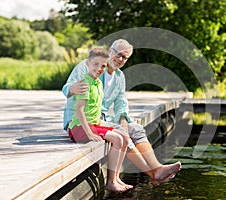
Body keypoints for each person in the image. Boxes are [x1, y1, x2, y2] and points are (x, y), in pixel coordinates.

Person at [63, 39, 181, 186]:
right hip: (81, 120)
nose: (120, 59)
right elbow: (66, 87)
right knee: (121, 132)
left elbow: (121, 102)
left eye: (124, 57)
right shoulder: (91, 65)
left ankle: (157, 168)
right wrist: (72, 89)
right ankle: (154, 173)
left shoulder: (119, 77)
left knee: (136, 128)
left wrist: (124, 119)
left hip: (103, 118)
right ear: (110, 51)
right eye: (118, 54)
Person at [67, 47, 132, 192]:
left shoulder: (98, 83)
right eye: (95, 64)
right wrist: (90, 134)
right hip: (79, 129)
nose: (99, 68)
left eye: (103, 65)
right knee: (118, 140)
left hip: (92, 126)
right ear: (88, 64)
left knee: (125, 138)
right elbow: (79, 110)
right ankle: (110, 182)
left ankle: (115, 178)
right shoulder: (85, 83)